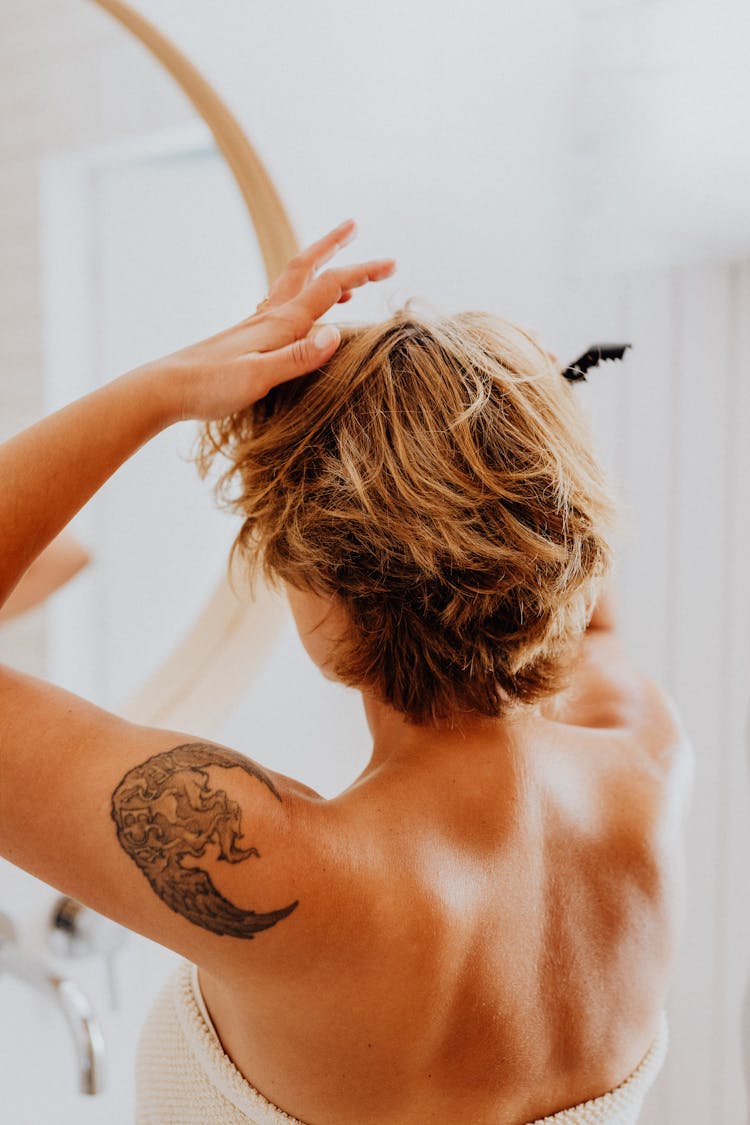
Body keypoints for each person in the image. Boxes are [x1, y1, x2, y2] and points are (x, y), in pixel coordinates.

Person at [0, 219, 691, 1124]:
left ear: (320, 583)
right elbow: (587, 605)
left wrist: (167, 387)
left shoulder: (290, 878)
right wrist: (524, 424)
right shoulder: (645, 762)